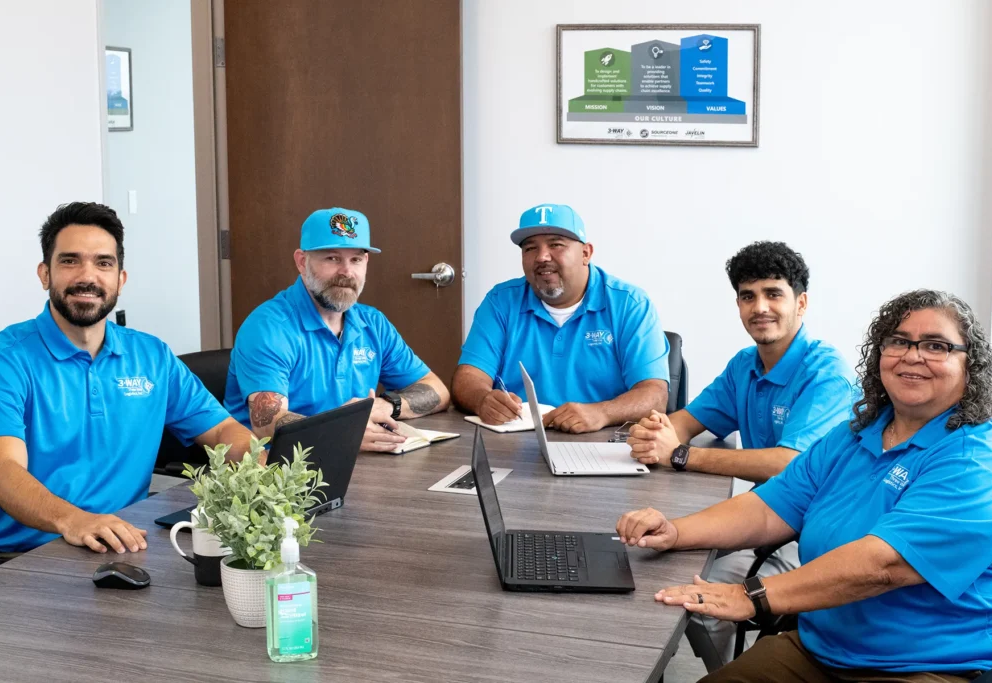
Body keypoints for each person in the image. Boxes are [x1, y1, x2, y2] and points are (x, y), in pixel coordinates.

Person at [617, 290, 992, 682]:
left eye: (936, 346)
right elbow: (771, 506)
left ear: (972, 366)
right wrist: (677, 530)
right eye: (898, 341)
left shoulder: (976, 459)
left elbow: (883, 565)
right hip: (823, 649)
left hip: (926, 666)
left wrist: (751, 596)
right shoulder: (857, 433)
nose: (912, 355)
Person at [0, 202, 254, 555]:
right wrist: (74, 520)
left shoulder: (152, 356)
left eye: (103, 263)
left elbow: (221, 431)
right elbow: (2, 475)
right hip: (20, 557)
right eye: (69, 260)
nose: (87, 276)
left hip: (123, 543)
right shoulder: (0, 361)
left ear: (120, 279)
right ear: (45, 274)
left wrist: (257, 468)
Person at [626, 241, 856, 670]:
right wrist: (655, 432)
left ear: (801, 303)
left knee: (699, 599)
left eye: (773, 294)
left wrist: (678, 456)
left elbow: (789, 463)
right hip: (761, 516)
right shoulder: (745, 365)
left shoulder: (828, 374)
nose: (760, 307)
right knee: (649, 563)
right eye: (748, 296)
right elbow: (686, 422)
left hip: (811, 534)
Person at [223, 207, 450, 452]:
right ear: (302, 262)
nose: (346, 272)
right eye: (332, 258)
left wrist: (386, 406)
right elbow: (268, 422)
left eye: (356, 259)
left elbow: (438, 391)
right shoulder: (268, 327)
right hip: (276, 474)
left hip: (348, 460)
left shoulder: (373, 322)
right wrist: (343, 431)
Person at [452, 203, 669, 433]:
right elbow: (468, 377)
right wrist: (483, 399)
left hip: (601, 446)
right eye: (530, 248)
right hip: (514, 444)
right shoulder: (500, 301)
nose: (542, 257)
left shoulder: (630, 304)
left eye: (556, 244)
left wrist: (602, 412)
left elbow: (654, 395)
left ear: (586, 253)